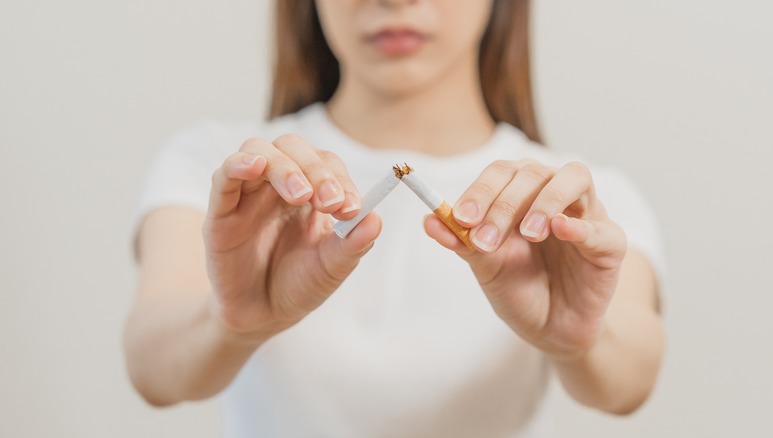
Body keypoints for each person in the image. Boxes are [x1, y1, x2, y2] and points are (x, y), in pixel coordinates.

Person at [124, 0, 664, 436]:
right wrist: (231, 324)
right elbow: (152, 367)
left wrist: (580, 341)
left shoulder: (574, 201)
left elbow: (631, 380)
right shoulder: (232, 170)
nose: (393, 2)